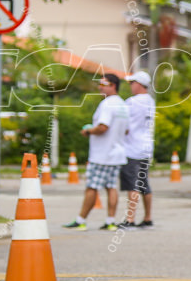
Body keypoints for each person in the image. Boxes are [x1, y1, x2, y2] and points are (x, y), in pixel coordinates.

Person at [64, 73, 129, 231]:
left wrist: (88, 131)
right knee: (111, 187)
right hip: (117, 153)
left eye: (103, 83)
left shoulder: (107, 104)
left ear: (113, 85)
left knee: (92, 187)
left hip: (102, 155)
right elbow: (126, 131)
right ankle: (111, 221)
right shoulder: (123, 105)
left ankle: (80, 220)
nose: (100, 86)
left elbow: (103, 127)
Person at [119, 70, 155, 229]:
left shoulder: (131, 102)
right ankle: (148, 218)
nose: (131, 86)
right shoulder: (150, 101)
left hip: (132, 148)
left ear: (139, 84)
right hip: (146, 148)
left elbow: (124, 125)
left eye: (132, 83)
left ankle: (130, 219)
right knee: (144, 184)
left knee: (132, 185)